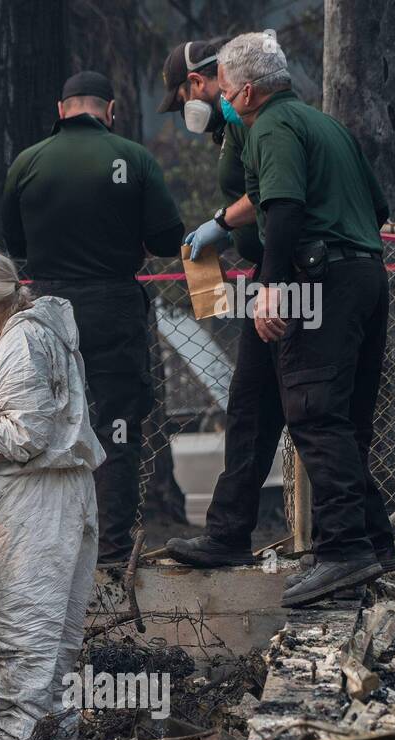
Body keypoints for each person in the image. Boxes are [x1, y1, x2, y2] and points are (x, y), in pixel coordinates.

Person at [193, 32, 395, 607]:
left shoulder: (274, 127)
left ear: (248, 91)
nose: (224, 101)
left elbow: (283, 209)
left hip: (316, 278)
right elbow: (376, 208)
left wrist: (272, 289)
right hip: (363, 275)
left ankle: (344, 551)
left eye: (227, 90)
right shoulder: (323, 124)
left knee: (313, 411)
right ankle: (367, 542)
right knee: (273, 406)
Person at [2, 70, 183, 564]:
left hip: (45, 312)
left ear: (61, 110)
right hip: (112, 307)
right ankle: (110, 550)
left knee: (42, 424)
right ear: (112, 110)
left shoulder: (28, 162)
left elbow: (16, 244)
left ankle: (46, 550)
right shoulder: (133, 158)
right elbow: (169, 238)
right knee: (116, 426)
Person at [0, 251, 104, 740]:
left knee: (26, 622)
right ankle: (57, 734)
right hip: (53, 489)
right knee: (55, 631)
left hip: (37, 496)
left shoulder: (22, 343)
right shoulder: (20, 336)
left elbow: (27, 431)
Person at [156, 37, 287, 569]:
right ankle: (231, 535)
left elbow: (276, 194)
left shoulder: (254, 122)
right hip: (272, 275)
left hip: (291, 280)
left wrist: (222, 224)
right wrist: (228, 236)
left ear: (197, 83)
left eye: (188, 94)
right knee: (257, 410)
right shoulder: (237, 126)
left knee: (309, 419)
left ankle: (350, 543)